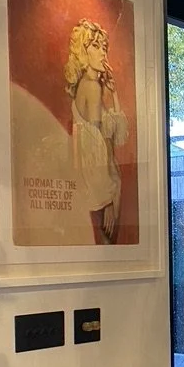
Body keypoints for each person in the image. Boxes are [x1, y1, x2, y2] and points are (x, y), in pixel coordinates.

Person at [64, 19, 129, 244]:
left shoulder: (92, 85)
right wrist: (109, 198)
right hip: (101, 184)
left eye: (104, 48)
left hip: (98, 182)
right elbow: (104, 144)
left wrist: (115, 93)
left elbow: (110, 135)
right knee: (106, 242)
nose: (103, 53)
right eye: (95, 46)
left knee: (103, 243)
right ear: (83, 51)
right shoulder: (91, 87)